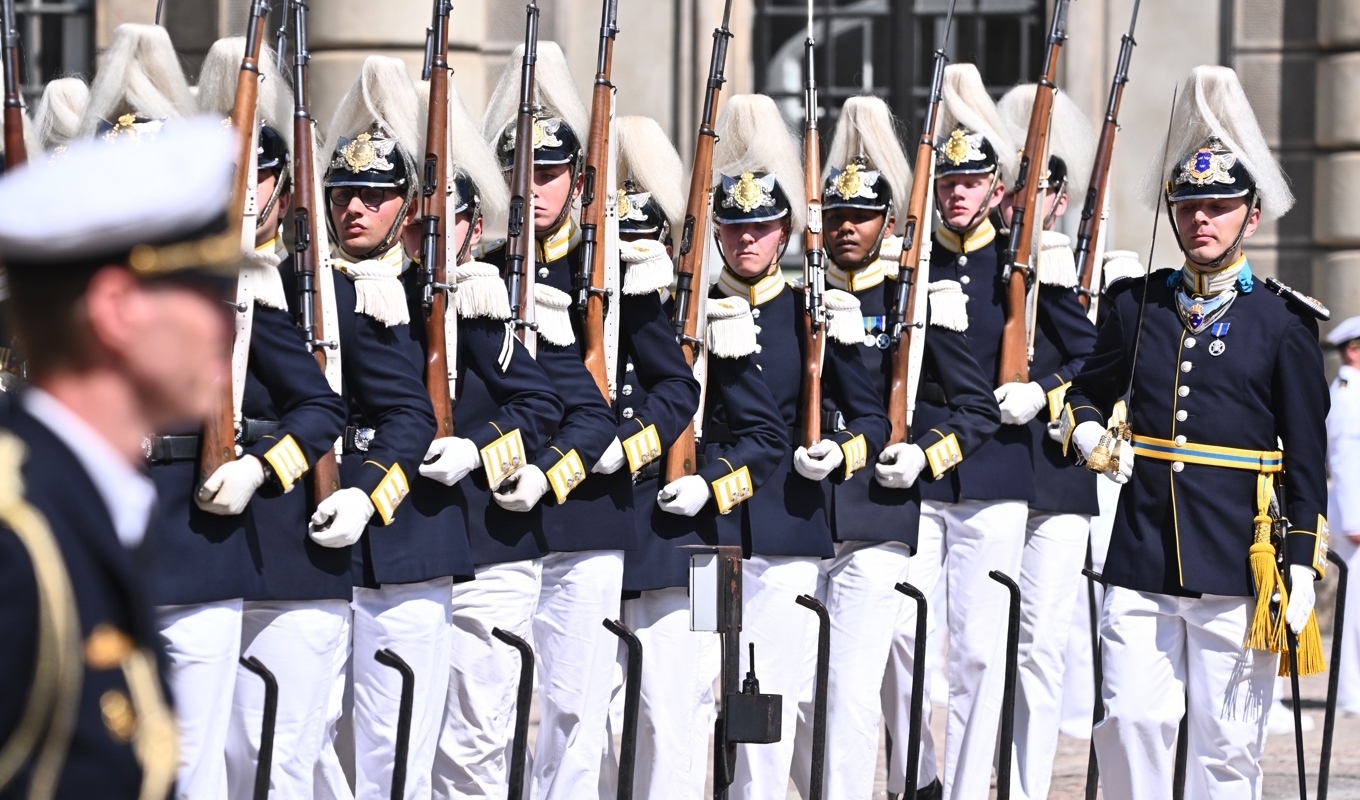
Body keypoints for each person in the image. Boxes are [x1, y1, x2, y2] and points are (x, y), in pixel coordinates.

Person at [1061, 65, 1329, 800]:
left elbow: (1307, 457)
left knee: (1227, 745)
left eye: (1218, 206)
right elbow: (1086, 393)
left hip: (1239, 561)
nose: (1200, 220)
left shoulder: (1284, 324)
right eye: (1188, 206)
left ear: (1252, 215)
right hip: (1141, 553)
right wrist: (1085, 433)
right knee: (1131, 723)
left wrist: (1301, 562)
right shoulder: (1134, 305)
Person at [0, 116, 238, 800]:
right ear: (117, 310)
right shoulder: (17, 535)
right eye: (204, 293)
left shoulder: (81, 499)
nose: (227, 323)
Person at [796, 95, 999, 800]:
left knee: (852, 691)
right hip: (789, 524)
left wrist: (924, 454)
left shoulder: (918, 301)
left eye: (860, 217)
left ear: (887, 223)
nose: (847, 229)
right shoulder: (793, 300)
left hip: (877, 520)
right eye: (835, 216)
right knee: (784, 700)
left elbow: (974, 409)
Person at [704, 93, 889, 800]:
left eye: (759, 227)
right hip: (707, 537)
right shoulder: (689, 311)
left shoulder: (815, 314)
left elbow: (871, 420)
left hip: (783, 531)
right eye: (733, 228)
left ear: (783, 233)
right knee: (704, 690)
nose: (746, 240)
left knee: (765, 696)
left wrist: (839, 454)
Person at [597, 115, 786, 800]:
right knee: (603, 712)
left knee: (679, 711)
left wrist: (710, 485)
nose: (631, 257)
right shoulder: (596, 320)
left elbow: (763, 438)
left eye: (644, 240)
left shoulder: (713, 316)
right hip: (613, 531)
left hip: (705, 546)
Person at [480, 43, 631, 800]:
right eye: (520, 173)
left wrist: (602, 452)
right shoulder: (481, 269)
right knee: (489, 713)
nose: (533, 189)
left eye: (548, 174)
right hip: (502, 518)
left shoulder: (616, 270)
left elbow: (671, 388)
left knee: (575, 708)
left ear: (577, 180)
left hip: (590, 512)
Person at [878, 63, 1029, 800]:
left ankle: (969, 788)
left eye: (972, 181)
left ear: (997, 190)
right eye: (948, 181)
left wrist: (1041, 390)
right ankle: (920, 778)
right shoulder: (909, 262)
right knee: (904, 636)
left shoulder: (1018, 264)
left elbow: (1073, 361)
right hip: (922, 471)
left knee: (978, 650)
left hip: (995, 473)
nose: (959, 192)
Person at [413, 74, 565, 800]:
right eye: (416, 225)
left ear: (477, 228)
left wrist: (479, 453)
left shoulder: (479, 305)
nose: (426, 241)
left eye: (444, 226)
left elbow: (536, 408)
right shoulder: (369, 306)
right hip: (400, 549)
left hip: (486, 546)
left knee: (474, 742)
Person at [308, 57, 455, 800]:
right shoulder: (313, 291)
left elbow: (417, 414)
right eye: (342, 195)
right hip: (316, 553)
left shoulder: (443, 292)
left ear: (408, 205)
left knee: (397, 758)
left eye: (374, 194)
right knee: (305, 750)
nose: (355, 209)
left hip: (407, 543)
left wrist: (373, 490)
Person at [992, 83, 1101, 800]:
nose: (1022, 210)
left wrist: (1046, 391)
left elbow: (1098, 362)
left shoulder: (1059, 272)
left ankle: (1026, 787)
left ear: (1060, 203)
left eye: (1039, 198)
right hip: (991, 477)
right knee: (975, 648)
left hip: (1055, 483)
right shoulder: (972, 270)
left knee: (1037, 649)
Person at [1326, 316, 1360, 717]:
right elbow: (1347, 460)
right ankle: (1350, 691)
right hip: (1356, 516)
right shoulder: (1348, 395)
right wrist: (1352, 520)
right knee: (1353, 607)